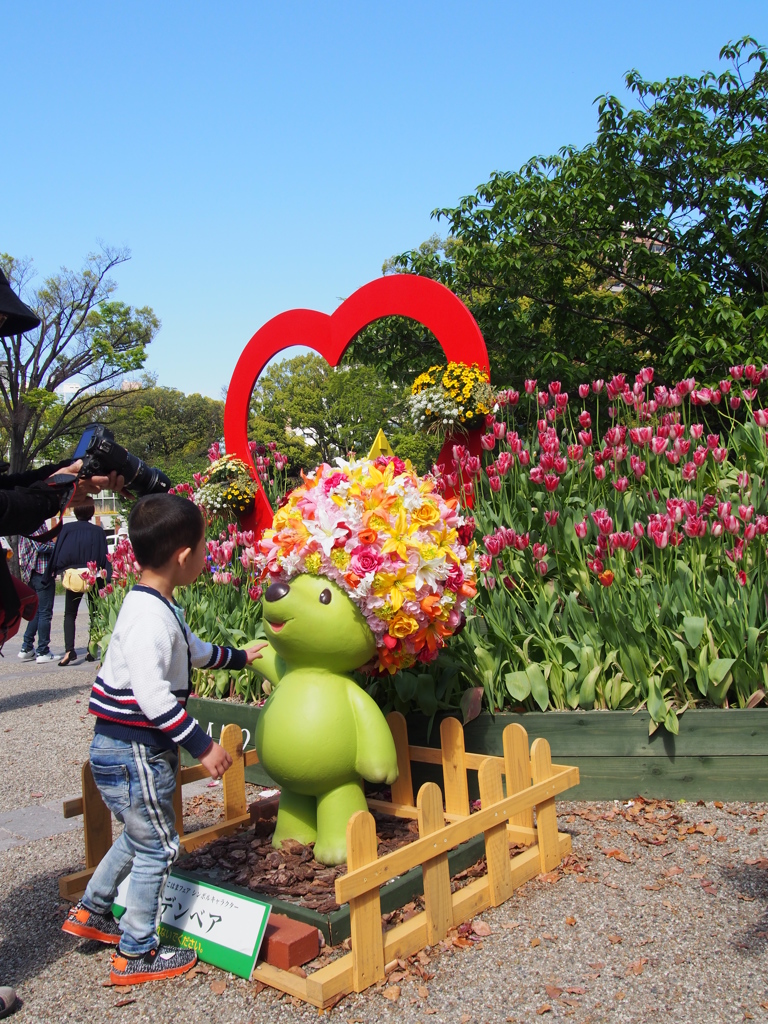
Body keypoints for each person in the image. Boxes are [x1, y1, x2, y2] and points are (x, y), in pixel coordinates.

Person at [61, 493, 266, 985]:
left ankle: (91, 911)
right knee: (160, 847)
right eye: (202, 549)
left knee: (140, 836)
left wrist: (240, 657)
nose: (206, 555)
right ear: (183, 557)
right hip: (133, 751)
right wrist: (204, 746)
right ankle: (136, 951)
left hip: (123, 747)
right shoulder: (151, 618)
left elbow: (192, 651)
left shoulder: (154, 603)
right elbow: (153, 696)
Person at [51, 502, 111, 665]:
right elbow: (103, 555)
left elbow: (59, 552)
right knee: (95, 613)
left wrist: (57, 569)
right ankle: (92, 649)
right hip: (95, 575)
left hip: (74, 574)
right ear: (92, 512)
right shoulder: (98, 531)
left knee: (70, 614)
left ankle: (69, 650)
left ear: (75, 510)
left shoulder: (67, 529)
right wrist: (108, 577)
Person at [17, 524, 57, 663]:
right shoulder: (34, 524)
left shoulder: (25, 524)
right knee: (45, 613)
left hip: (32, 574)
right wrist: (57, 546)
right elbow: (41, 546)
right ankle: (43, 651)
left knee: (37, 612)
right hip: (41, 573)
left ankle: (27, 647)